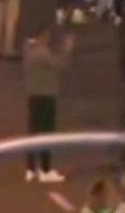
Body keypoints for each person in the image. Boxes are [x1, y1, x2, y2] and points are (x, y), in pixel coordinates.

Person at [23, 27, 75, 182]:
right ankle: (45, 170)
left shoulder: (28, 51)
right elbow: (61, 64)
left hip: (33, 96)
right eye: (46, 37)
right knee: (46, 134)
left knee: (33, 133)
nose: (48, 40)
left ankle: (31, 169)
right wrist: (67, 48)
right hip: (46, 97)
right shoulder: (42, 53)